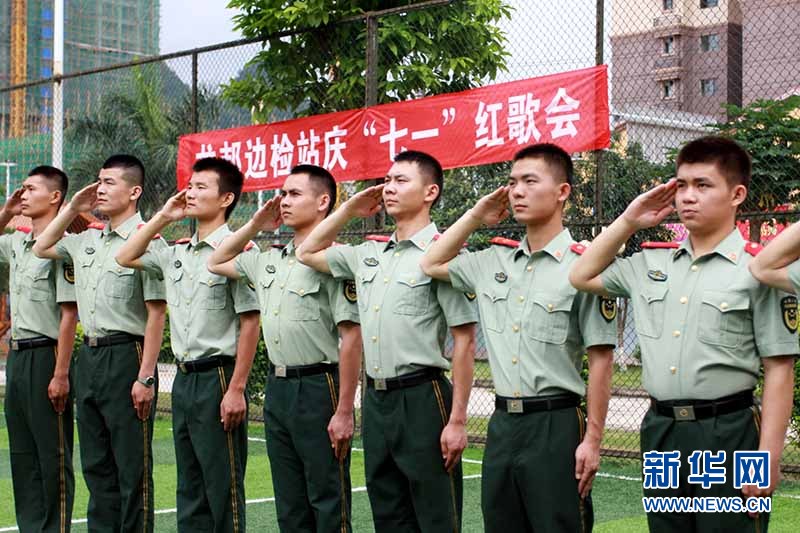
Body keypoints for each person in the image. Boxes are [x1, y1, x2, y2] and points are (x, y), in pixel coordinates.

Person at [569, 136, 797, 532]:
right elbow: (580, 275)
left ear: (737, 194)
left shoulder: (757, 269)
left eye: (703, 185)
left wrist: (768, 457)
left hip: (729, 433)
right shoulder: (649, 263)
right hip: (662, 432)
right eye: (682, 185)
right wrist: (628, 220)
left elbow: (780, 368)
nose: (688, 196)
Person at [420, 143, 616, 532]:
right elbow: (430, 262)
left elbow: (601, 359)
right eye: (512, 183)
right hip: (502, 424)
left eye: (530, 181)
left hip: (556, 424)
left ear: (562, 192)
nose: (517, 191)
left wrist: (593, 440)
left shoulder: (584, 266)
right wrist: (476, 216)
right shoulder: (492, 262)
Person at [296, 151, 477, 532]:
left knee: (436, 517)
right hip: (376, 401)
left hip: (423, 398)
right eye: (387, 180)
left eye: (401, 180)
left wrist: (457, 420)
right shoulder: (368, 254)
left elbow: (464, 340)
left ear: (430, 192)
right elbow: (306, 252)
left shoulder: (442, 254)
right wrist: (348, 210)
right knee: (388, 515)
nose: (388, 188)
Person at [207, 164, 362, 532]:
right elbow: (215, 260)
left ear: (323, 202)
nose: (283, 201)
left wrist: (344, 409)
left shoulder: (333, 261)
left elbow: (351, 338)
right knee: (289, 504)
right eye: (282, 193)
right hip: (278, 390)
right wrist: (255, 224)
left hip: (318, 388)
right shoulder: (269, 260)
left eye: (294, 194)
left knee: (328, 500)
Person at [116, 157, 260, 532]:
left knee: (223, 488)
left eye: (201, 187)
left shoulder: (238, 250)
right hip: (183, 380)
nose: (190, 193)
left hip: (218, 378)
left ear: (226, 198)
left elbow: (250, 322)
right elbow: (125, 255)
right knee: (190, 488)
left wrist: (236, 389)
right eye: (189, 186)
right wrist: (164, 217)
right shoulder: (175, 252)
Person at [33, 154, 167, 533]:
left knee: (132, 467)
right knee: (96, 466)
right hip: (89, 358)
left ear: (134, 192)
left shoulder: (149, 242)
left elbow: (156, 313)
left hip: (127, 356)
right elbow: (41, 246)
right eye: (98, 181)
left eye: (109, 182)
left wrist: (145, 377)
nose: (100, 189)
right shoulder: (86, 240)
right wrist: (73, 206)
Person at [0, 166, 78, 532]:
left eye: (31, 189)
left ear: (55, 197)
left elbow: (69, 315)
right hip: (17, 357)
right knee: (22, 452)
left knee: (52, 453)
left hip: (47, 355)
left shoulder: (62, 247)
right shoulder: (18, 242)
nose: (24, 194)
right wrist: (7, 211)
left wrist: (60, 373)